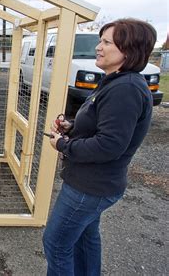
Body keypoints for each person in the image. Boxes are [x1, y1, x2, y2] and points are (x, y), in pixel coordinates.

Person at [43, 18, 157, 275]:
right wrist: (72, 128)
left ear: (128, 50)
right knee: (85, 240)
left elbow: (109, 145)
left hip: (89, 187)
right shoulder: (115, 82)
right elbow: (104, 127)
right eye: (100, 40)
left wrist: (63, 145)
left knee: (56, 244)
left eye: (106, 42)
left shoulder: (125, 88)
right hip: (92, 185)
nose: (98, 47)